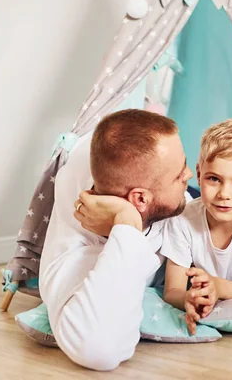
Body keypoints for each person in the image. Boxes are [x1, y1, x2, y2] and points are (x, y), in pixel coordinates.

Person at [39, 109, 193, 371]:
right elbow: (97, 350)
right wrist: (126, 222)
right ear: (139, 199)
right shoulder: (74, 257)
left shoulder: (112, 153)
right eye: (179, 175)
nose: (189, 173)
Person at [161, 119, 232, 335]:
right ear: (199, 173)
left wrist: (217, 286)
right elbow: (172, 291)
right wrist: (189, 298)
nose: (224, 194)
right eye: (214, 179)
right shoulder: (182, 220)